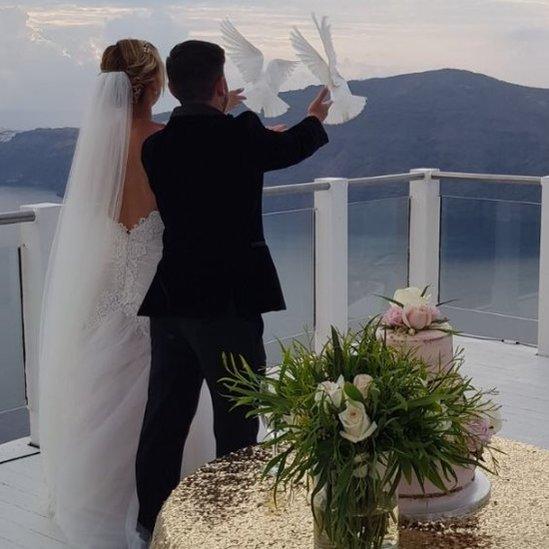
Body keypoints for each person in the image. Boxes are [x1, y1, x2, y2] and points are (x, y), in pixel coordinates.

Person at [38, 39, 244, 548]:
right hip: (165, 285)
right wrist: (222, 114)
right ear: (155, 85)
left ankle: (100, 501)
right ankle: (181, 504)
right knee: (170, 399)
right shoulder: (164, 141)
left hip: (108, 286)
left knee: (104, 391)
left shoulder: (96, 152)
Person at [135, 39, 331, 537]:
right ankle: (227, 525)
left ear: (174, 90)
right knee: (238, 422)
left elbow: (209, 155)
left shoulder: (156, 147)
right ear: (221, 85)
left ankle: (151, 525)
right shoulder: (243, 137)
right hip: (228, 305)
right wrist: (315, 117)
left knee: (164, 419)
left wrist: (236, 119)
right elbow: (289, 148)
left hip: (173, 301)